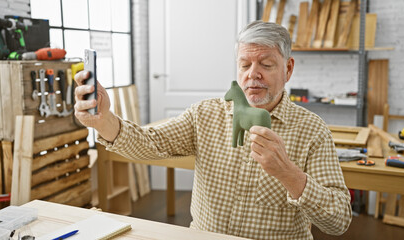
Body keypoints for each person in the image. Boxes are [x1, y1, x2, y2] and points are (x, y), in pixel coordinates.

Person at [74, 21, 352, 240]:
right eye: (244, 65)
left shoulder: (313, 130)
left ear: (288, 69)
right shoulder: (205, 115)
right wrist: (103, 119)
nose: (253, 74)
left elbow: (338, 221)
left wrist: (288, 174)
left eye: (266, 65)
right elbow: (150, 143)